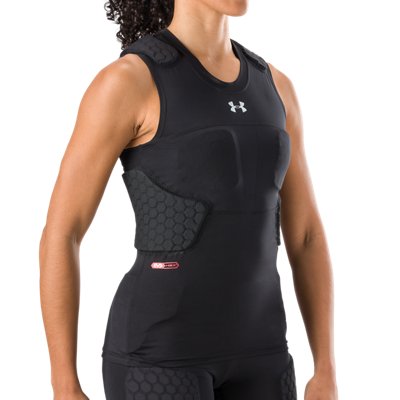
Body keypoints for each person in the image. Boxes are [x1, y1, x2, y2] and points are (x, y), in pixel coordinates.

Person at [39, 1, 338, 399]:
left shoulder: (275, 86)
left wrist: (325, 368)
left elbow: (306, 236)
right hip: (159, 358)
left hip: (264, 356)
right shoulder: (129, 81)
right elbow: (63, 232)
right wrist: (64, 384)